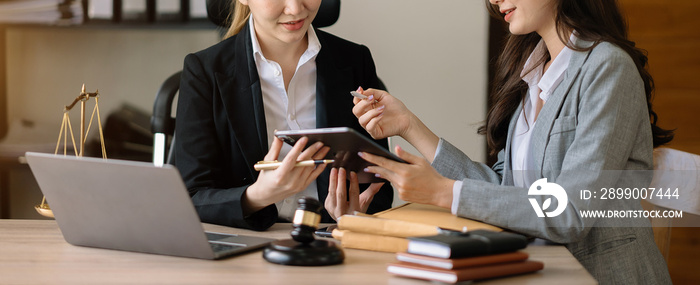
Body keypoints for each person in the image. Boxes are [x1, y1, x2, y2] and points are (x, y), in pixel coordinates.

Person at [351, 0, 673, 283]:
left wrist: (442, 192)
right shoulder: (532, 75)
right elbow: (504, 191)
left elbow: (570, 211)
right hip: (537, 272)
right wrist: (409, 125)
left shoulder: (607, 68)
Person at [174, 0, 393, 231]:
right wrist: (257, 196)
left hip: (329, 242)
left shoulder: (355, 60)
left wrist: (353, 212)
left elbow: (379, 183)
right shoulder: (203, 71)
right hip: (245, 244)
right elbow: (191, 198)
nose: (295, 9)